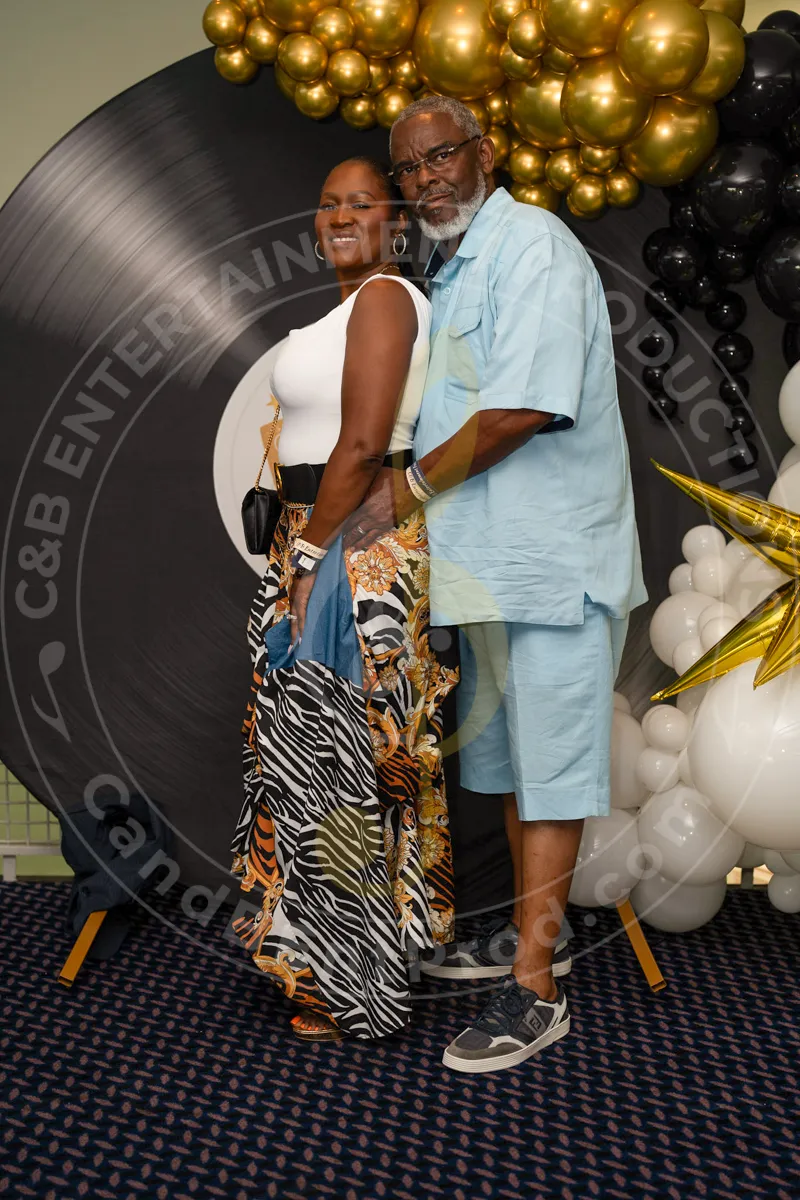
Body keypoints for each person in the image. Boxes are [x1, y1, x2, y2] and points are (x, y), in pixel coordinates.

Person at [347, 97, 647, 1073]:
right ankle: (531, 937)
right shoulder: (458, 264)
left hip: (553, 565)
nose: (425, 179)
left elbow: (521, 409)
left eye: (440, 156)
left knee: (552, 775)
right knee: (521, 771)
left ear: (484, 152)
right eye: (409, 168)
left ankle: (536, 991)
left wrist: (405, 489)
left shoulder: (535, 247)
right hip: (492, 571)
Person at [228, 156, 459, 1042]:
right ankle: (355, 960)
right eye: (329, 204)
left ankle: (350, 985)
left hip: (349, 552)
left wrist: (309, 556)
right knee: (326, 758)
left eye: (362, 202)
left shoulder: (387, 297)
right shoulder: (350, 306)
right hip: (320, 536)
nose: (341, 216)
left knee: (338, 764)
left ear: (397, 223)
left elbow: (362, 445)